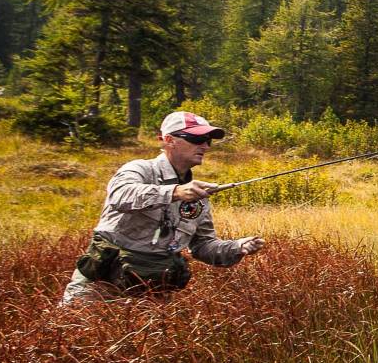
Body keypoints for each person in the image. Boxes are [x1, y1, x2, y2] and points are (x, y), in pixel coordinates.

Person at [60, 110, 266, 305]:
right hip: (100, 285)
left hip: (152, 293)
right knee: (68, 334)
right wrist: (174, 192)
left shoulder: (198, 196)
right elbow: (120, 195)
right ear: (169, 140)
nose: (205, 146)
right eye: (196, 139)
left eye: (208, 140)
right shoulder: (140, 169)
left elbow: (203, 247)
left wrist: (237, 247)